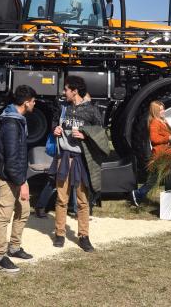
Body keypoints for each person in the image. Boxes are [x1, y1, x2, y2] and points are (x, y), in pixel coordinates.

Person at [52, 75, 112, 252]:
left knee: (83, 201)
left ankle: (84, 237)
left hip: (82, 160)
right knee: (61, 199)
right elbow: (55, 123)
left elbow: (101, 133)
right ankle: (59, 234)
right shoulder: (62, 107)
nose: (64, 92)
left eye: (66, 89)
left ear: (75, 91)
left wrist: (85, 135)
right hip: (64, 158)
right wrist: (55, 129)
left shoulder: (92, 110)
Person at [0, 85, 37, 273]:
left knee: (23, 211)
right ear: (26, 102)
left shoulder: (18, 120)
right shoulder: (11, 124)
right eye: (33, 101)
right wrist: (22, 183)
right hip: (8, 178)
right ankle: (1, 256)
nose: (34, 104)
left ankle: (14, 247)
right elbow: (11, 159)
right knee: (4, 216)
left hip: (17, 175)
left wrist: (21, 179)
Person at [130, 100, 171, 206]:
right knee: (155, 179)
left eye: (163, 109)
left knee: (169, 180)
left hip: (167, 154)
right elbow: (154, 139)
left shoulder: (163, 121)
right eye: (160, 110)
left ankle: (169, 203)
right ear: (155, 111)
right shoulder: (155, 122)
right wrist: (168, 138)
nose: (163, 111)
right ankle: (138, 193)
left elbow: (167, 137)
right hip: (160, 156)